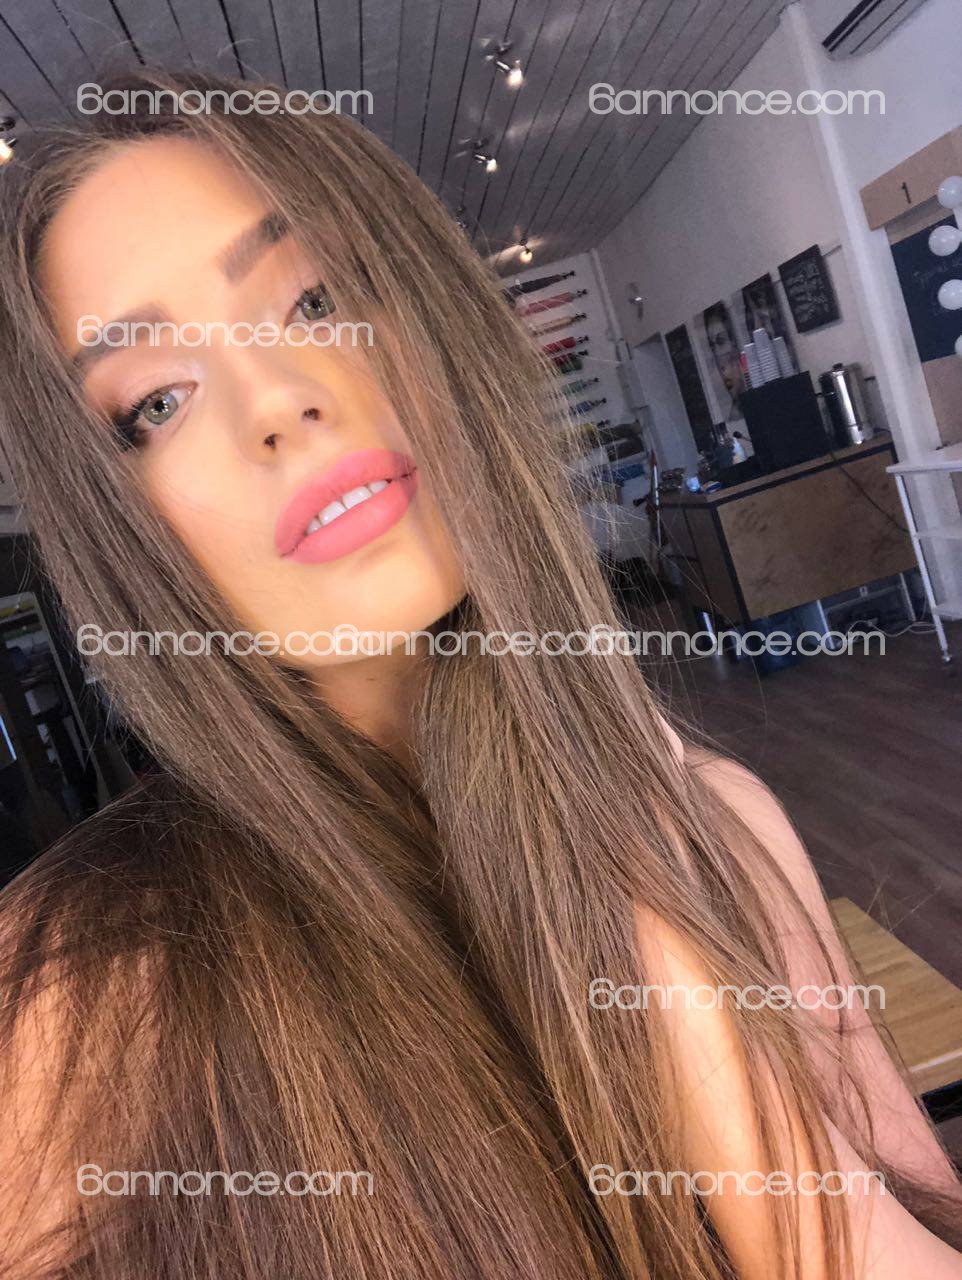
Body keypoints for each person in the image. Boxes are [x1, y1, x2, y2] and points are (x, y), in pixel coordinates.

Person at [0, 69, 959, 1280]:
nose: (277, 401)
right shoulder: (73, 997)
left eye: (317, 297)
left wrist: (652, 938)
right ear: (114, 521)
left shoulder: (715, 823)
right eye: (155, 402)